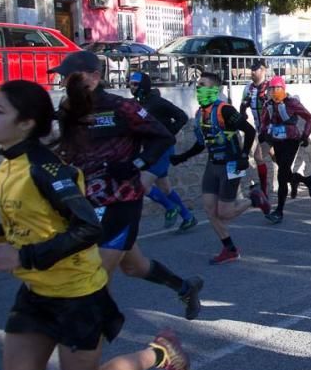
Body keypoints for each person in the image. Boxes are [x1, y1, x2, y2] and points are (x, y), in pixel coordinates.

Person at [0, 80, 190, 370]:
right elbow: (25, 226)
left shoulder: (48, 170)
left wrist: (22, 255)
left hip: (78, 295)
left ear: (26, 123)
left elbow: (88, 228)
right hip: (37, 291)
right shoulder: (9, 166)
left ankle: (159, 353)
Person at [49, 51, 203, 320]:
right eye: (63, 78)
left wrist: (137, 164)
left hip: (123, 199)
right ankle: (185, 288)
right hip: (88, 203)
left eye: (70, 77)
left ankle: (88, 342)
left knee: (96, 275)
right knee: (134, 266)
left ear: (95, 77)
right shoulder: (67, 110)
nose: (64, 82)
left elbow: (163, 137)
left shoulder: (122, 107)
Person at [170, 72, 270, 264]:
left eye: (203, 85)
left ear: (214, 90)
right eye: (197, 85)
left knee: (224, 213)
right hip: (213, 164)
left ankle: (254, 200)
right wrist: (181, 158)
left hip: (232, 164)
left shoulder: (225, 110)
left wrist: (243, 156)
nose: (198, 88)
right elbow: (201, 144)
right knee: (209, 210)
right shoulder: (200, 114)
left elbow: (249, 131)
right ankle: (230, 249)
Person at [127, 71, 198, 232]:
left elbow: (182, 117)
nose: (132, 87)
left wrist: (167, 133)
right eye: (130, 84)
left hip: (161, 149)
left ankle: (170, 207)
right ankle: (188, 217)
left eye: (135, 84)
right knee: (165, 188)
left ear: (143, 85)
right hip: (149, 150)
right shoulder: (134, 103)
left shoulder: (157, 102)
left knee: (140, 185)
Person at [258, 76, 311, 224]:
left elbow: (309, 117)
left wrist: (305, 135)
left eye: (277, 88)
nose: (274, 91)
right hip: (277, 140)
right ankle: (307, 180)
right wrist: (263, 133)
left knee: (282, 174)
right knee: (285, 171)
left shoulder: (292, 103)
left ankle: (279, 211)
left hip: (291, 140)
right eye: (271, 88)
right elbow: (264, 120)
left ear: (283, 89)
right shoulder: (268, 104)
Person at [240, 59, 272, 196]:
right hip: (260, 129)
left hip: (272, 129)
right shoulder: (248, 88)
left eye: (256, 69)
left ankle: (264, 191)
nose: (252, 72)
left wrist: (266, 100)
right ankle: (298, 179)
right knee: (276, 157)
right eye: (251, 69)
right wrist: (243, 113)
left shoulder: (271, 86)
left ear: (263, 70)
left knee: (258, 157)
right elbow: (243, 105)